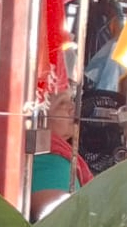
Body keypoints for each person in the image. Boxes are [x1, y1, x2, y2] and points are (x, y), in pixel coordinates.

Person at [28, 88, 90, 219]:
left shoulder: (57, 154)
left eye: (71, 100)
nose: (73, 108)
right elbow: (59, 223)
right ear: (40, 117)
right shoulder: (47, 161)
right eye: (62, 103)